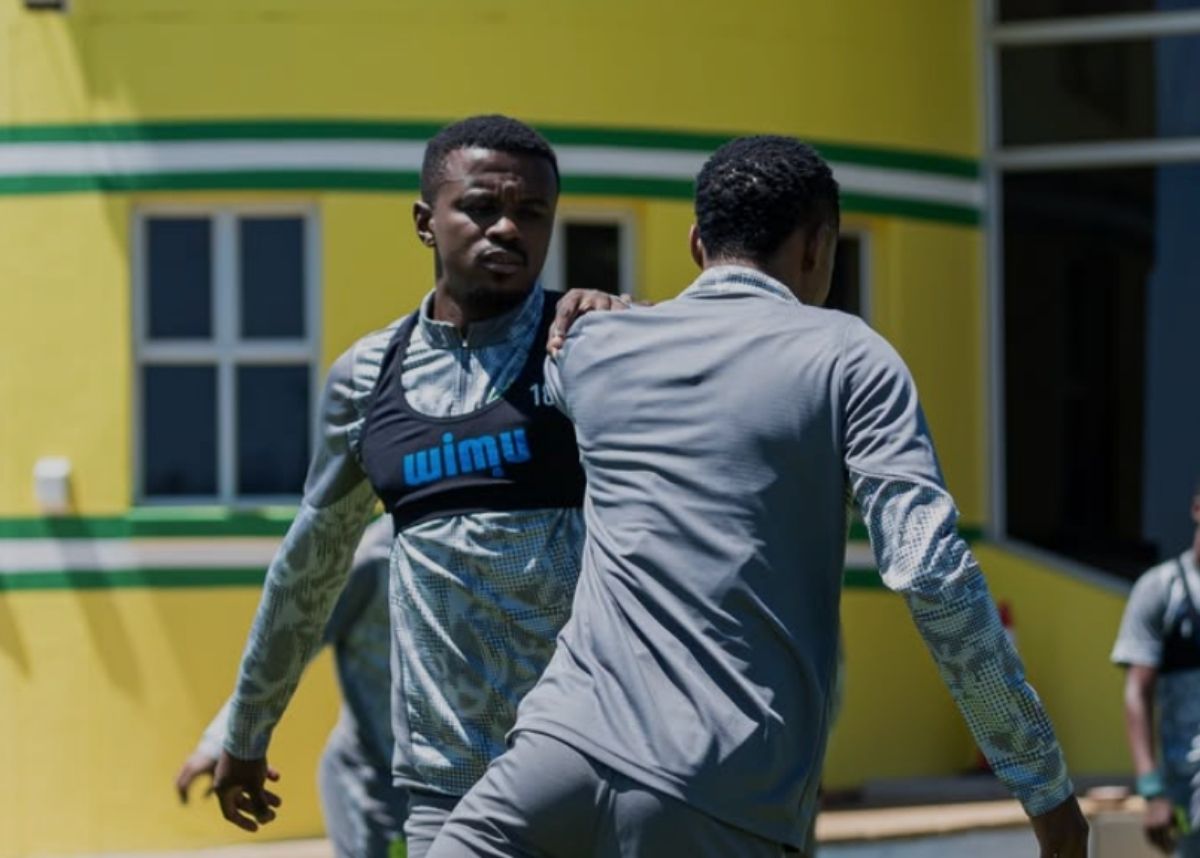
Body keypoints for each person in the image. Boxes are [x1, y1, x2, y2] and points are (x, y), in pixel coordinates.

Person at [428, 135, 1089, 858]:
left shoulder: (596, 349)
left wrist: (611, 310)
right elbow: (930, 573)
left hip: (546, 764)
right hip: (720, 792)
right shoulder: (849, 356)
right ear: (818, 248)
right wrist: (1043, 786)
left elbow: (503, 348)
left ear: (695, 242)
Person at [210, 115, 626, 858]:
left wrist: (644, 322)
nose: (507, 228)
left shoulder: (587, 348)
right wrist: (247, 729)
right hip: (445, 782)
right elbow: (311, 565)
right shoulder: (368, 378)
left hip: (588, 766)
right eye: (480, 207)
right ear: (424, 221)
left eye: (531, 213)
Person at [175, 517, 405, 858]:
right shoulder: (375, 558)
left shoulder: (496, 549)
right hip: (373, 786)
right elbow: (290, 647)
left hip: (459, 783)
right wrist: (227, 741)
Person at [1112, 481, 1200, 856]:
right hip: (1187, 785)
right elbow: (1138, 692)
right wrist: (1151, 789)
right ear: (1197, 509)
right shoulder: (1161, 590)